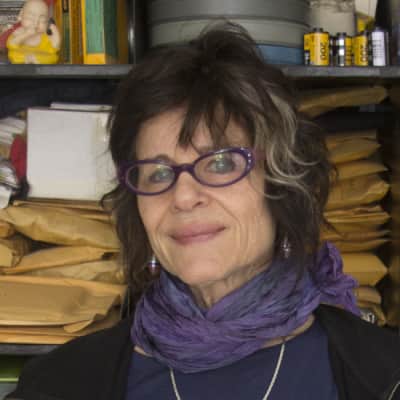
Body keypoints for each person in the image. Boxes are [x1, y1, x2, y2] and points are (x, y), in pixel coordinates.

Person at [7, 23, 400, 400]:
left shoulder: (383, 375)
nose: (183, 196)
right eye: (158, 172)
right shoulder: (59, 384)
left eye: (221, 164)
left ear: (282, 184)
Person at [6, 0, 60, 64]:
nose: (36, 23)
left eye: (42, 20)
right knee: (14, 54)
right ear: (20, 15)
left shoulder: (43, 35)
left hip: (41, 54)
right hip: (21, 54)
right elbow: (11, 45)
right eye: (30, 18)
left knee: (52, 57)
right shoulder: (19, 32)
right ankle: (28, 60)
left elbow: (54, 48)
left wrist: (54, 30)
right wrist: (26, 34)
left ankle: (36, 60)